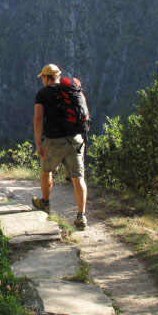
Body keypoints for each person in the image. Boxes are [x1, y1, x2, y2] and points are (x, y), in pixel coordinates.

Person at [32, 64, 88, 230]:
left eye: (42, 77)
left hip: (54, 142)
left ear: (45, 77)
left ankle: (45, 203)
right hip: (76, 140)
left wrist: (38, 143)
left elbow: (38, 118)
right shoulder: (72, 90)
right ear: (58, 76)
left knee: (46, 170)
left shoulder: (42, 94)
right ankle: (81, 216)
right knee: (78, 178)